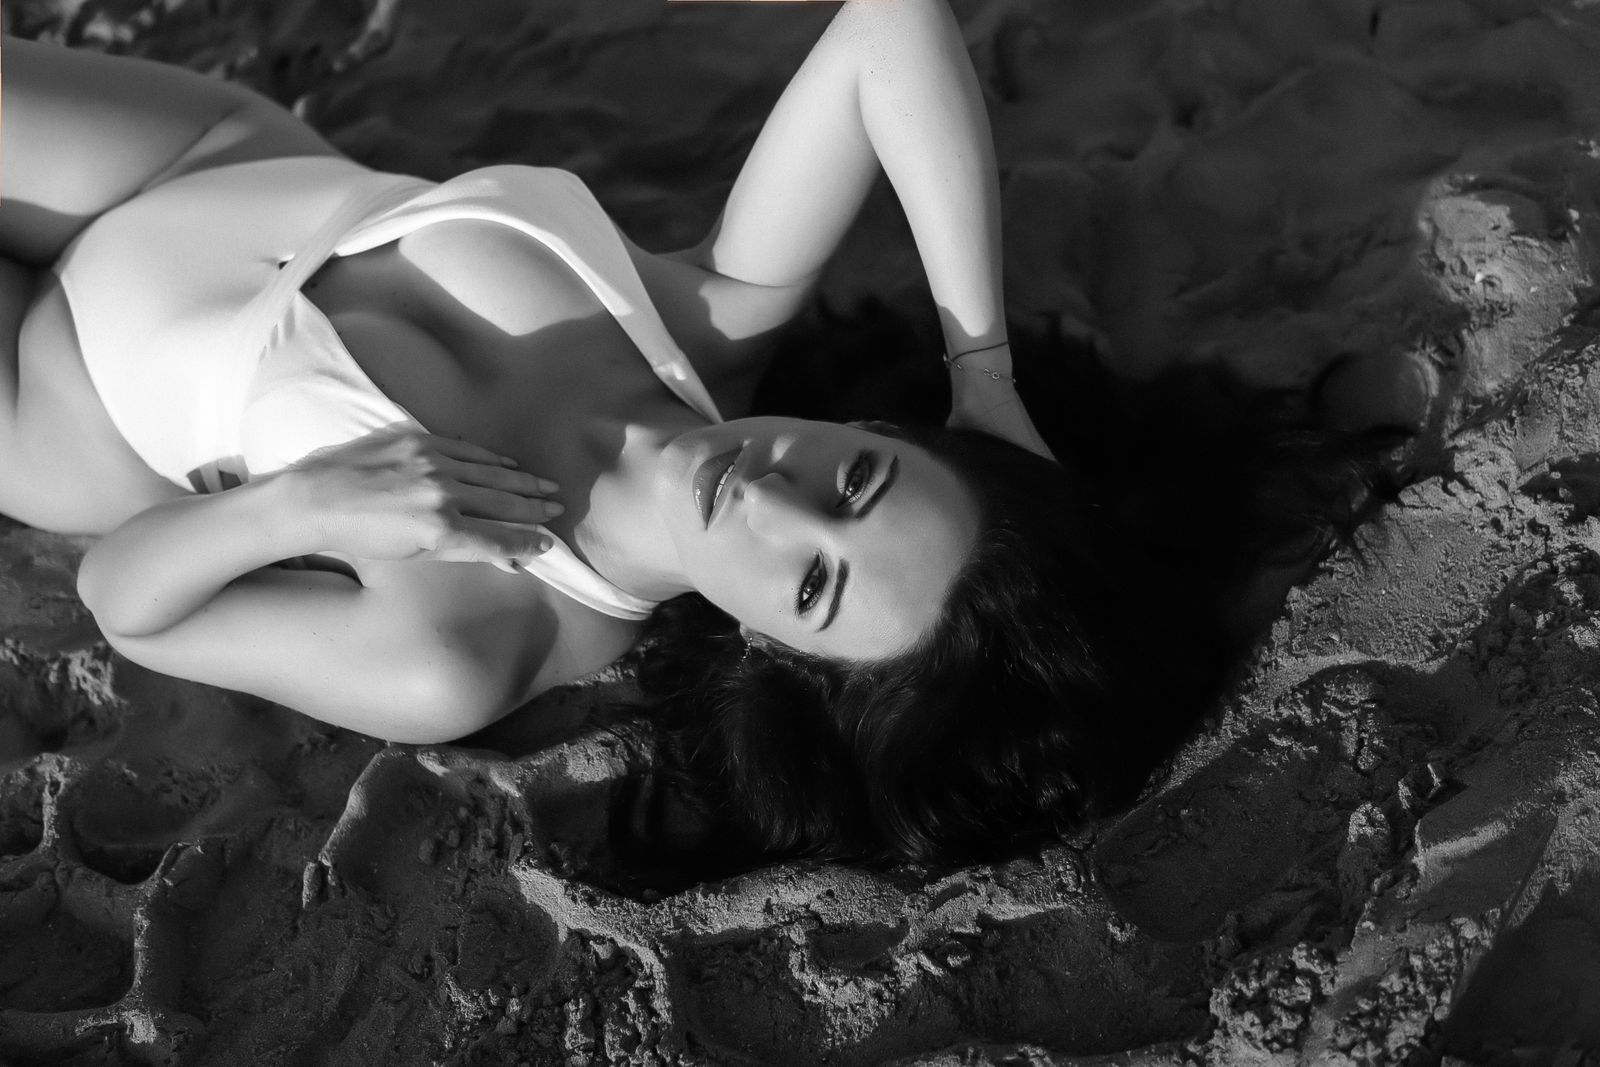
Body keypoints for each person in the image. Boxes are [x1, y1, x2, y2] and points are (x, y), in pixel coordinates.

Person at [0, 0, 1378, 867]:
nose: (773, 496)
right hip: (201, 155)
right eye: (858, 477)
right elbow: (887, 27)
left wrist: (294, 512)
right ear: (876, 426)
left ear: (779, 655)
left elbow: (130, 604)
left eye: (813, 581)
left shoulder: (472, 642)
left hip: (51, 400)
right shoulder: (712, 321)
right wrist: (984, 376)